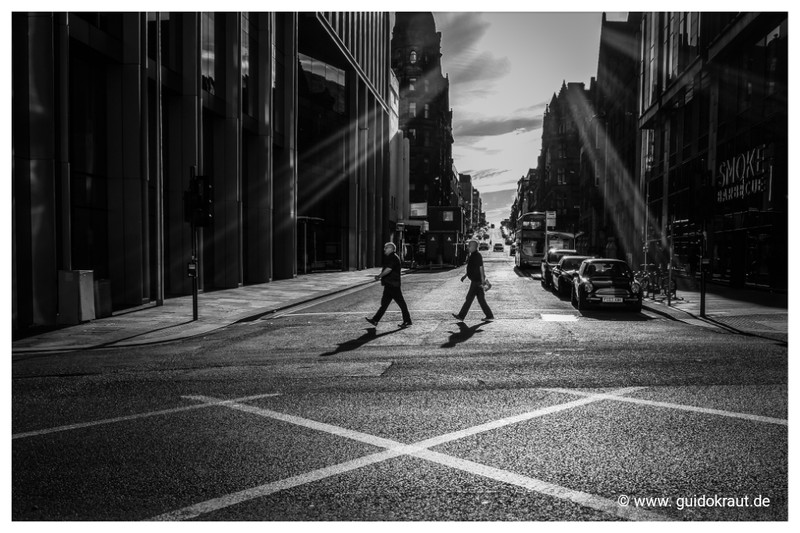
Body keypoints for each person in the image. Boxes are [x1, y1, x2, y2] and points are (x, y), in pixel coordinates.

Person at [365, 242, 412, 328]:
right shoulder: (391, 257)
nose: (384, 249)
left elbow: (389, 269)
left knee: (401, 303)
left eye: (386, 248)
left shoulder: (393, 258)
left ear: (391, 249)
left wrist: (379, 276)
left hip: (393, 285)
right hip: (389, 284)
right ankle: (375, 320)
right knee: (385, 304)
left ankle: (407, 320)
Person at [452, 239, 494, 321]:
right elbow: (471, 268)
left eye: (469, 246)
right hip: (476, 280)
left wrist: (482, 280)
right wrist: (465, 276)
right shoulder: (473, 255)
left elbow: (481, 268)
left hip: (476, 281)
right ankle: (489, 315)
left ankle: (461, 315)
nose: (468, 247)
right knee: (481, 300)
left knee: (469, 298)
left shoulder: (477, 256)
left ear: (474, 247)